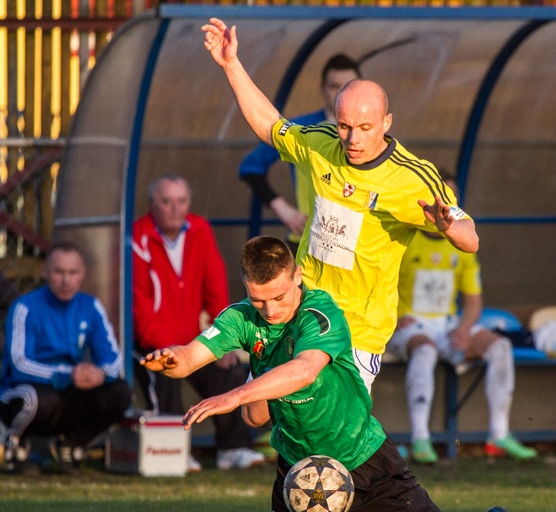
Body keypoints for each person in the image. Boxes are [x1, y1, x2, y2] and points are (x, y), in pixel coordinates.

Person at [141, 236, 550, 512]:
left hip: (362, 457)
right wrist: (173, 361)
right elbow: (193, 354)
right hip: (300, 464)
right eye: (259, 300)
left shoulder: (321, 314)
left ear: (297, 275)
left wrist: (233, 396)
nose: (270, 310)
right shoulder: (241, 317)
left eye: (279, 297)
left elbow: (303, 370)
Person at [202, 17, 479, 393]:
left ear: (386, 123)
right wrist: (231, 65)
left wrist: (448, 227)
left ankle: (361, 453)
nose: (353, 138)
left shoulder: (414, 177)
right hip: (303, 312)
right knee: (255, 412)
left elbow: (470, 237)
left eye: (365, 128)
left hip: (358, 332)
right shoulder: (320, 142)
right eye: (345, 126)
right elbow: (270, 125)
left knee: (322, 427)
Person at [388, 173, 536, 464]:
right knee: (425, 350)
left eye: (451, 198)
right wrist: (395, 315)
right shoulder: (405, 237)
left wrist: (465, 328)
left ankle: (498, 435)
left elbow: (473, 301)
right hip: (407, 324)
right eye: (438, 196)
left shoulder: (463, 244)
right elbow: (378, 281)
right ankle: (420, 439)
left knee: (500, 347)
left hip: (446, 323)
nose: (444, 204)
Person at [132, 173, 265, 471]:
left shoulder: (200, 229)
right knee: (164, 374)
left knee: (229, 372)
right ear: (152, 204)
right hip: (151, 341)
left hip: (192, 337)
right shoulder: (137, 238)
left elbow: (215, 287)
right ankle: (175, 452)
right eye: (166, 202)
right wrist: (166, 347)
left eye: (181, 201)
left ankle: (233, 449)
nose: (174, 209)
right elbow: (139, 304)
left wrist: (223, 341)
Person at [0, 241, 132, 475]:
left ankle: (69, 445)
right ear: (45, 272)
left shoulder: (91, 307)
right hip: (26, 389)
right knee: (35, 399)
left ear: (82, 275)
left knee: (121, 392)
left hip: (71, 389)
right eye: (59, 272)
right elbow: (19, 365)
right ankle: (16, 446)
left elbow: (113, 360)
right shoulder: (25, 307)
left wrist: (99, 374)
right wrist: (68, 374)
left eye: (72, 273)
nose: (66, 280)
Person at [239, 53, 361, 254]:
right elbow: (251, 166)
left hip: (355, 243)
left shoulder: (370, 133)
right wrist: (284, 210)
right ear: (322, 88)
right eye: (334, 86)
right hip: (308, 239)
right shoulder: (303, 128)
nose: (341, 93)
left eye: (347, 86)